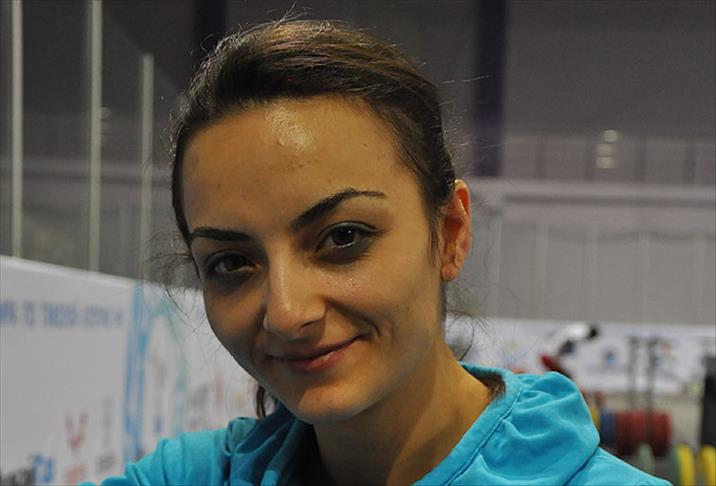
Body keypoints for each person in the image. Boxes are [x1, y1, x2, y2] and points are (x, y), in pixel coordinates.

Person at [96, 20, 668, 485]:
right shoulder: (188, 476)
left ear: (450, 232)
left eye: (343, 237)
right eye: (231, 263)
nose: (288, 314)